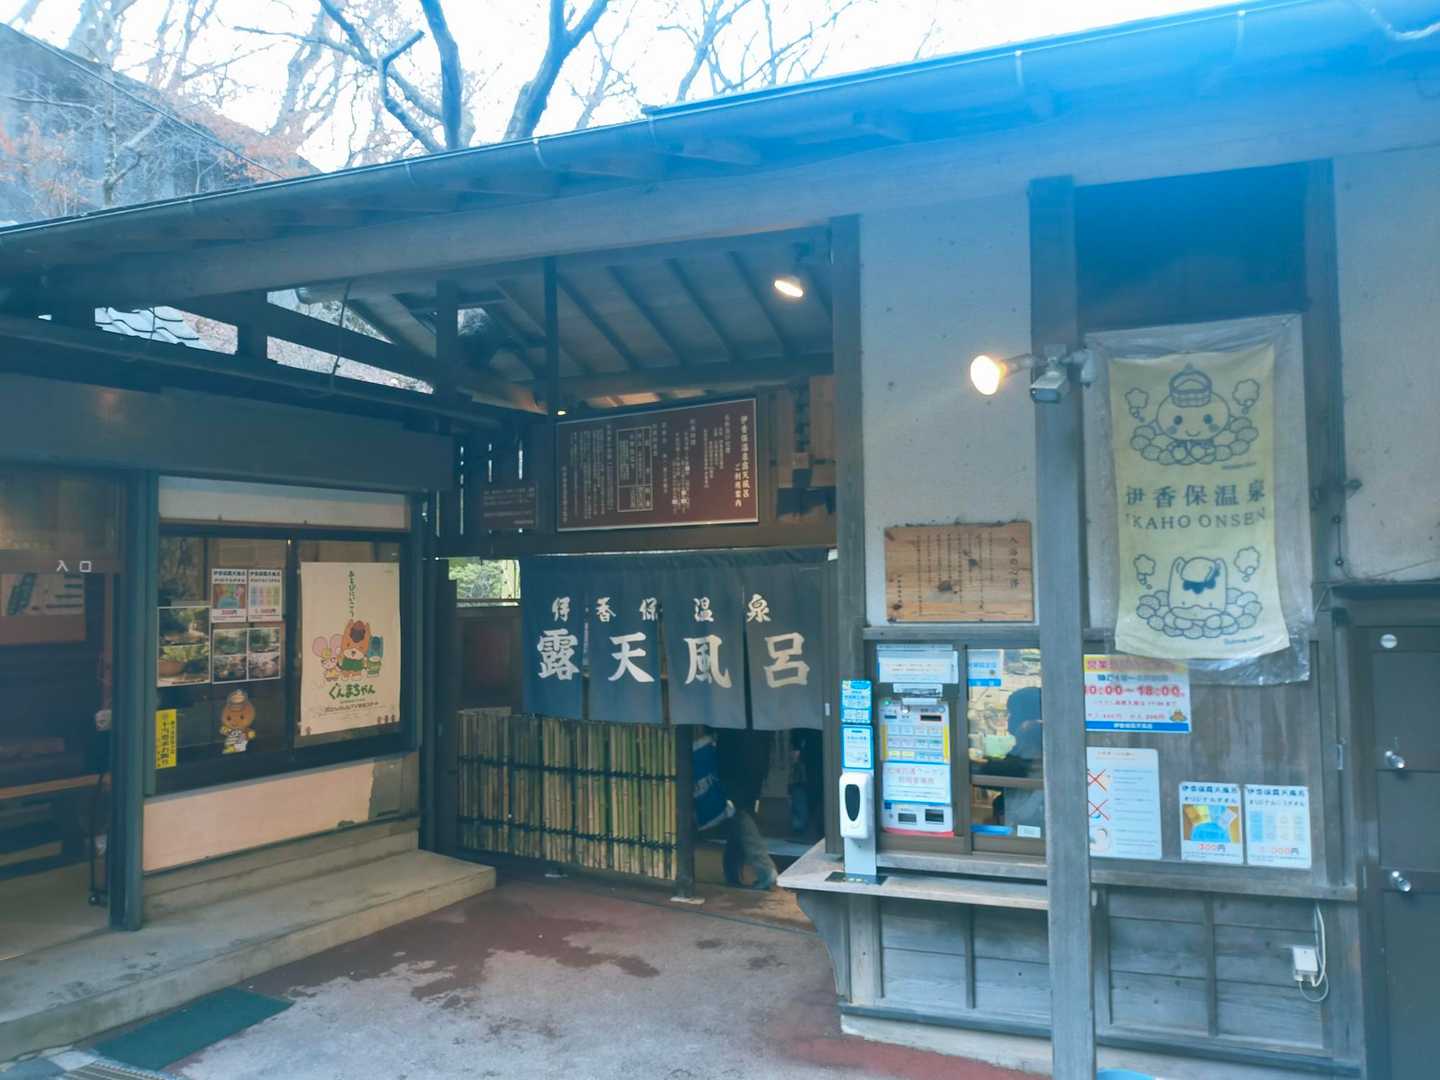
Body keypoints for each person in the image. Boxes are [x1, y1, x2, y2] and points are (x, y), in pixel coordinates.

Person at [715, 728, 778, 890]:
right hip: (756, 763)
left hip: (735, 765)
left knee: (739, 815)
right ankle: (732, 873)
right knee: (738, 818)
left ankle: (765, 869)